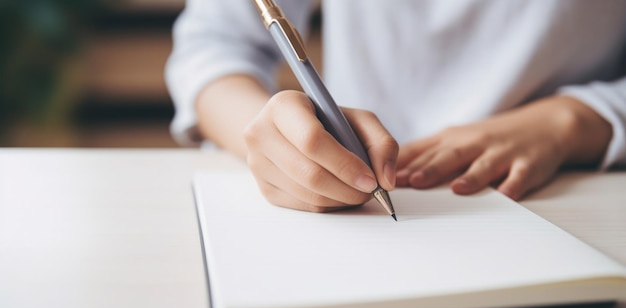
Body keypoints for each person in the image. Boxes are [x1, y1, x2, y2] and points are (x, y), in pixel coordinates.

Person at [166, 0, 626, 213]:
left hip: (582, 187)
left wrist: (579, 118)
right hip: (349, 187)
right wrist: (273, 138)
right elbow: (214, 45)